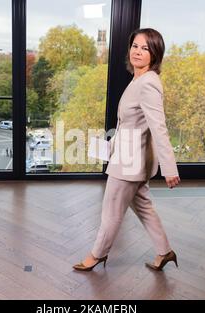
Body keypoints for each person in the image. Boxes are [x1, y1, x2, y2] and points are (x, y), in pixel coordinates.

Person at [73, 28, 181, 272]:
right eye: (135, 46)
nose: (138, 51)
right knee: (144, 207)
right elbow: (131, 125)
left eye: (145, 48)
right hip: (131, 159)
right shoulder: (138, 79)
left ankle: (97, 255)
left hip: (129, 164)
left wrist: (170, 168)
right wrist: (108, 147)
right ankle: (164, 251)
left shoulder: (148, 84)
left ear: (155, 54)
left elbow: (158, 128)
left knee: (111, 211)